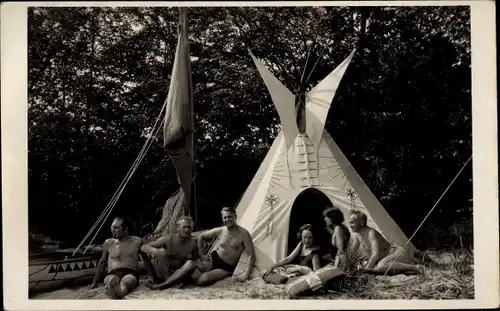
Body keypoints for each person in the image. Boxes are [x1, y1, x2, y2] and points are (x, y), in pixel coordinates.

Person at [90, 216, 153, 299]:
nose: (112, 229)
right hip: (113, 272)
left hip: (131, 273)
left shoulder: (137, 242)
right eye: (112, 227)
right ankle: (114, 289)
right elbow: (102, 262)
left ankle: (116, 292)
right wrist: (94, 282)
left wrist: (152, 276)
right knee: (112, 279)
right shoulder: (108, 243)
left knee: (125, 282)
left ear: (125, 229)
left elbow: (146, 260)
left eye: (116, 227)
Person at [191, 206, 255, 286]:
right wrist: (201, 253)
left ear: (235, 216)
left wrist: (246, 274)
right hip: (214, 258)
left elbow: (251, 255)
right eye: (225, 217)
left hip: (226, 267)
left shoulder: (244, 234)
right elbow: (201, 236)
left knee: (203, 279)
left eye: (230, 217)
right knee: (193, 273)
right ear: (222, 219)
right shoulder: (220, 230)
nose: (227, 219)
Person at [348, 210, 424, 275]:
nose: (350, 225)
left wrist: (366, 269)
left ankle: (415, 267)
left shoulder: (371, 233)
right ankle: (409, 270)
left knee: (381, 265)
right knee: (376, 266)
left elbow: (375, 255)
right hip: (388, 259)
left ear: (361, 222)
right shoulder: (357, 236)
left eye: (352, 223)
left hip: (397, 253)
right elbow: (351, 253)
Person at [140, 216, 199, 290]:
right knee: (162, 252)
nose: (187, 230)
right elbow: (144, 247)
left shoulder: (192, 243)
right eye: (184, 227)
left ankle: (165, 284)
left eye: (189, 227)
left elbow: (196, 258)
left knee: (190, 263)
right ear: (177, 228)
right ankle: (155, 279)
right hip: (161, 272)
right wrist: (156, 252)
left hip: (176, 274)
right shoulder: (168, 239)